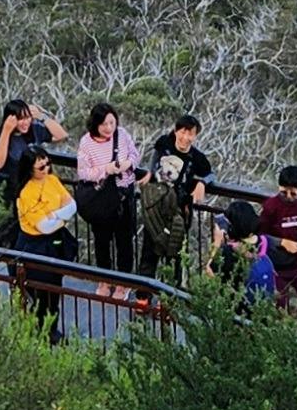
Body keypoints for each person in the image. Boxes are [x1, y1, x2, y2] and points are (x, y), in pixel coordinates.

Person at [14, 146, 82, 342]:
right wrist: (60, 218)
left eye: (47, 164)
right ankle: (41, 331)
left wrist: (55, 216)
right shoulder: (27, 193)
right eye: (40, 167)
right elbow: (44, 226)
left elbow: (72, 205)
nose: (46, 168)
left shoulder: (52, 180)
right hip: (35, 246)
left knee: (54, 288)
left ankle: (51, 329)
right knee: (40, 293)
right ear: (30, 169)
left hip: (54, 243)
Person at [139, 114, 212, 281]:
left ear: (195, 135)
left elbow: (210, 174)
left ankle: (169, 300)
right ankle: (143, 297)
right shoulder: (165, 142)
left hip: (178, 212)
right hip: (155, 206)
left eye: (190, 134)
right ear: (176, 130)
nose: (185, 138)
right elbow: (156, 155)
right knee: (149, 251)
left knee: (175, 254)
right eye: (183, 132)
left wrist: (202, 183)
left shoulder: (197, 158)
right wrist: (150, 172)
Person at [74, 103, 144, 275]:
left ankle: (124, 281)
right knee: (102, 241)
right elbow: (83, 172)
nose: (109, 128)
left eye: (112, 123)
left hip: (124, 195)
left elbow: (135, 155)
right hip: (102, 198)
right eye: (104, 124)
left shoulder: (122, 134)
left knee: (125, 241)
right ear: (95, 124)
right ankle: (105, 278)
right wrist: (106, 169)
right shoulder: (86, 142)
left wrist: (128, 164)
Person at [259, 164, 297, 312]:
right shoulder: (271, 206)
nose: (288, 197)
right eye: (283, 192)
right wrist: (282, 242)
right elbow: (260, 236)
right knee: (279, 309)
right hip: (277, 268)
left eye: (293, 194)